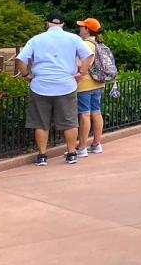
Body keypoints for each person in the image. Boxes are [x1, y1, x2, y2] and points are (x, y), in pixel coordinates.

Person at [16, 12, 94, 166]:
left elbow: (21, 59)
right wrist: (81, 73)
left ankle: (42, 156)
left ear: (47, 24)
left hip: (40, 85)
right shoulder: (73, 38)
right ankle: (71, 153)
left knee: (41, 123)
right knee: (70, 122)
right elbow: (89, 55)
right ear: (63, 24)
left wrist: (26, 75)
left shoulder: (36, 39)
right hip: (66, 84)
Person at [74, 18, 106, 157]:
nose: (80, 29)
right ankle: (96, 144)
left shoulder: (86, 44)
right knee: (96, 113)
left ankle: (82, 147)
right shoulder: (99, 43)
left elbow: (81, 64)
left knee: (85, 114)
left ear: (87, 29)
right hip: (98, 83)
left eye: (82, 27)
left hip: (85, 83)